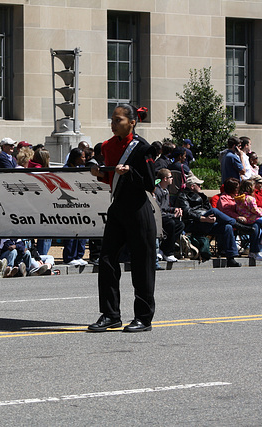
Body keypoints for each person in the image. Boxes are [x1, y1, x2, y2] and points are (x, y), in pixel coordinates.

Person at [87, 103, 156, 333]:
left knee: (141, 264)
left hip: (138, 209)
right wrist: (98, 171)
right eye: (113, 120)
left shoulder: (142, 148)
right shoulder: (107, 145)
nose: (114, 124)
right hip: (117, 208)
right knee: (106, 259)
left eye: (119, 120)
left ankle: (143, 318)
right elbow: (107, 175)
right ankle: (110, 314)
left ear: (132, 122)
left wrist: (130, 173)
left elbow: (149, 182)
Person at [177, 175, 248, 266]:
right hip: (194, 223)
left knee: (227, 227)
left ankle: (231, 258)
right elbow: (187, 212)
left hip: (207, 222)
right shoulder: (183, 196)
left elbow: (209, 209)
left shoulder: (202, 196)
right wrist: (203, 218)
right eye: (198, 185)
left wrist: (212, 218)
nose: (201, 186)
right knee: (215, 211)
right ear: (192, 186)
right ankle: (237, 225)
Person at [236, 179, 262, 260]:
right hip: (250, 218)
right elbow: (254, 209)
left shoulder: (240, 197)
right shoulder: (250, 198)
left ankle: (259, 250)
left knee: (259, 226)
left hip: (245, 216)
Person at [62, 147, 87, 266]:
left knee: (82, 230)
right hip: (69, 203)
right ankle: (69, 256)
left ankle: (79, 255)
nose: (84, 159)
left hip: (82, 203)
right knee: (71, 231)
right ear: (75, 158)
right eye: (82, 157)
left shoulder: (83, 169)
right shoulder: (66, 170)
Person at [154, 168, 184, 262]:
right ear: (165, 179)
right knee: (171, 223)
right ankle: (169, 252)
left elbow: (165, 207)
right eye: (171, 177)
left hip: (165, 216)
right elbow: (158, 210)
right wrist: (172, 216)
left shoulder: (166, 191)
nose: (172, 179)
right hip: (159, 218)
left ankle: (164, 248)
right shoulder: (157, 191)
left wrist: (175, 209)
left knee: (180, 225)